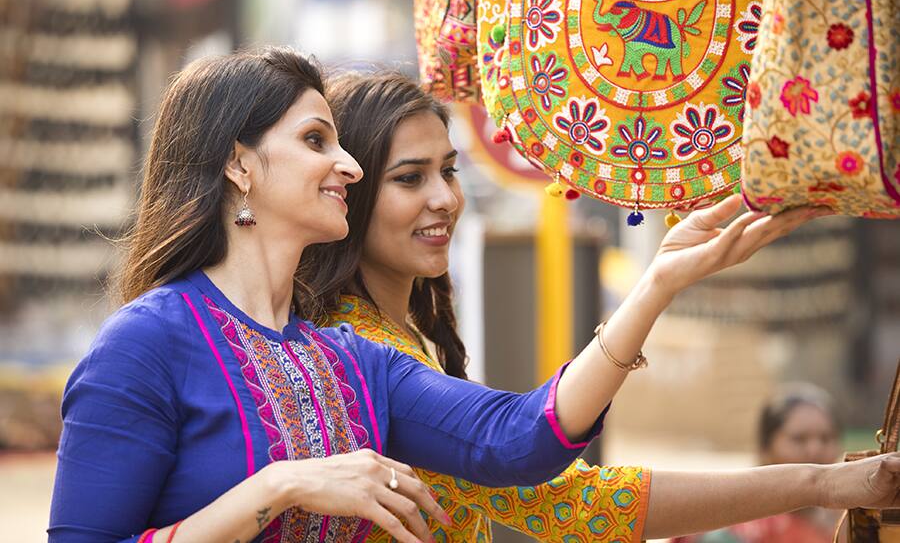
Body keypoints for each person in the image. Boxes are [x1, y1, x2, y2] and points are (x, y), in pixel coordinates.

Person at [47, 49, 900, 543]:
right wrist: (277, 487)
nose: (345, 165)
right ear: (238, 164)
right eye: (317, 141)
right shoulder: (146, 346)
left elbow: (521, 443)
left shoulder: (349, 363)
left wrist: (661, 279)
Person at [299, 70, 900, 542]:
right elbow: (555, 479)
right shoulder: (357, 349)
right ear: (344, 193)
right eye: (410, 179)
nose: (444, 199)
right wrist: (657, 286)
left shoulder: (390, 338)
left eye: (449, 172)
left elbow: (564, 493)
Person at [672, 384, 845, 543]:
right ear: (765, 449)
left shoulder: (851, 521)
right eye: (799, 439)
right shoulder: (732, 530)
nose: (815, 450)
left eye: (826, 438)